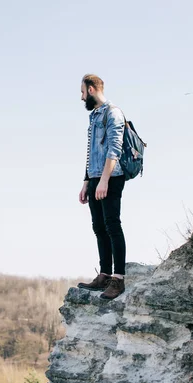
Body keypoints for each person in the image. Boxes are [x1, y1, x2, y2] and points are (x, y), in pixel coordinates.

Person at [77, 74, 127, 300]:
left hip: (112, 176)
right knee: (99, 227)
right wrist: (87, 182)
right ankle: (104, 274)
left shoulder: (113, 113)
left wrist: (105, 179)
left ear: (90, 89)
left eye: (81, 92)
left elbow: (114, 149)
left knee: (112, 225)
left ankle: (118, 279)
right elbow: (91, 152)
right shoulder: (94, 116)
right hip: (96, 177)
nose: (81, 98)